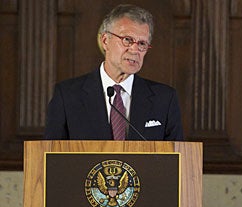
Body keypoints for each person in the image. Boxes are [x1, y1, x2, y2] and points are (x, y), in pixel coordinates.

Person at [44, 4, 183, 141]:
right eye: (127, 40)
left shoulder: (164, 99)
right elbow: (52, 157)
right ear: (105, 41)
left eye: (142, 44)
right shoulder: (67, 96)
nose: (135, 50)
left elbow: (177, 159)